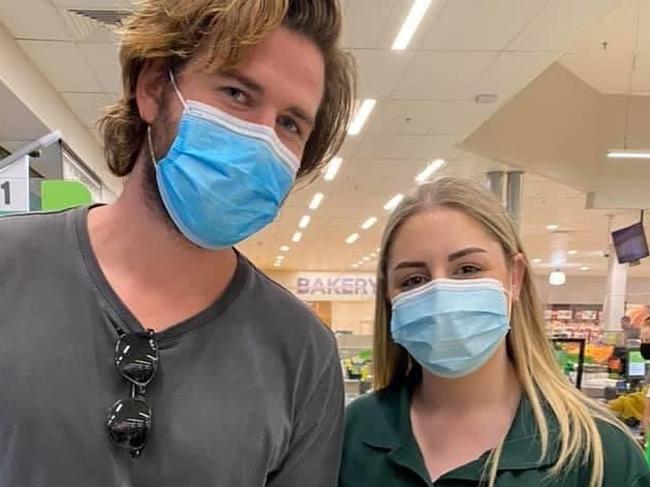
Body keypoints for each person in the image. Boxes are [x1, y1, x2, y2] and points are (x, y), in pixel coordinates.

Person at [0, 1, 355, 486]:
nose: (260, 137)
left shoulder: (301, 351)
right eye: (236, 93)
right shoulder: (10, 265)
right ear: (152, 88)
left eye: (290, 124)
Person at [340, 178, 650, 487]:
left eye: (468, 269)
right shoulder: (350, 434)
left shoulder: (598, 454)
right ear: (389, 297)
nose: (440, 293)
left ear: (514, 278)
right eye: (414, 280)